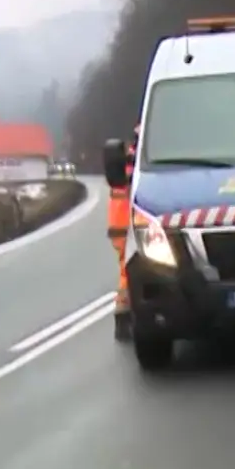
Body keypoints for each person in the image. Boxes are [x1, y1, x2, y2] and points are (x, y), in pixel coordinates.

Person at [107, 125, 139, 341]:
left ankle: (123, 315)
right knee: (132, 267)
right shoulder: (139, 160)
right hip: (130, 221)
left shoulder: (128, 158)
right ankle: (125, 316)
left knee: (126, 269)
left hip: (120, 222)